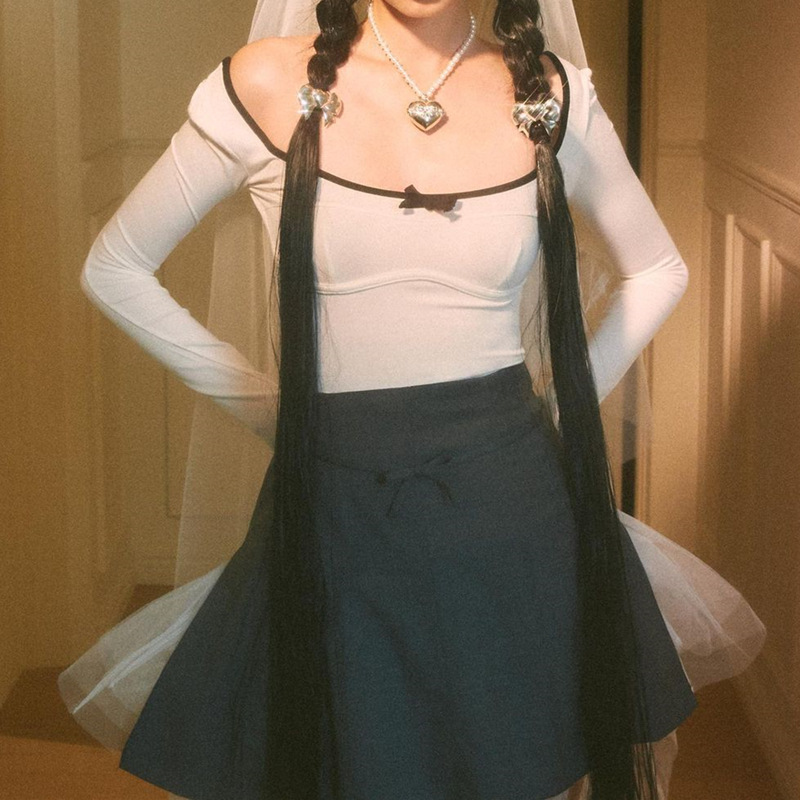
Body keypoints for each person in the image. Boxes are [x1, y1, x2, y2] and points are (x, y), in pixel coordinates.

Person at [57, 1, 767, 798]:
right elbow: (115, 268)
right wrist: (272, 411)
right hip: (337, 516)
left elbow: (659, 269)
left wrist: (549, 417)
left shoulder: (550, 94)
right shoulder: (266, 83)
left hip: (516, 515)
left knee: (512, 765)